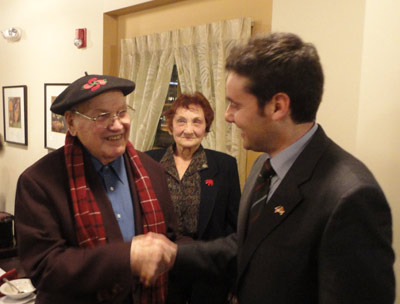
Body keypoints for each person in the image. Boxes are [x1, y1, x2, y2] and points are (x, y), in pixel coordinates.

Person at [136, 32, 396, 304]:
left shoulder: (351, 197)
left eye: (235, 105)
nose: (228, 116)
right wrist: (173, 254)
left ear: (278, 107)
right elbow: (247, 247)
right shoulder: (264, 164)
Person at [14, 73, 177, 304]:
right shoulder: (39, 182)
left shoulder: (152, 170)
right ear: (71, 123)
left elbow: (169, 239)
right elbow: (45, 268)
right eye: (102, 116)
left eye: (122, 112)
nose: (118, 124)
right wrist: (127, 257)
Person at [145, 92, 241, 304]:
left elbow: (233, 228)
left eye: (197, 122)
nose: (188, 130)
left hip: (207, 272)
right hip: (161, 270)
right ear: (170, 126)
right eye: (181, 121)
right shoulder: (149, 162)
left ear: (206, 129)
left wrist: (234, 281)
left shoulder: (225, 166)